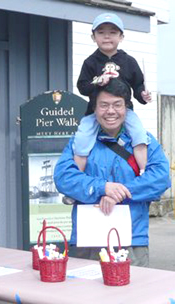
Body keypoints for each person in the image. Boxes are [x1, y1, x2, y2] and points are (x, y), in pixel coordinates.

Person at [54, 78, 170, 267]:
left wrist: (120, 192)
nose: (110, 111)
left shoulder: (143, 141)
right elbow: (64, 177)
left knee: (132, 294)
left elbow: (160, 177)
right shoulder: (80, 141)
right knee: (85, 294)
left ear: (127, 107)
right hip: (88, 238)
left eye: (117, 105)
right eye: (104, 105)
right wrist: (102, 188)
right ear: (94, 108)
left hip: (132, 239)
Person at [74, 12, 152, 175]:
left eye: (112, 32)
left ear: (121, 37)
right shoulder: (90, 62)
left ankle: (144, 172)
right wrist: (97, 82)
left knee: (139, 134)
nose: (107, 37)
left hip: (125, 111)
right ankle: (77, 176)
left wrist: (143, 95)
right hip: (96, 112)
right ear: (93, 37)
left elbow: (138, 86)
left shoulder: (129, 61)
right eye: (101, 32)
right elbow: (82, 86)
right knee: (81, 139)